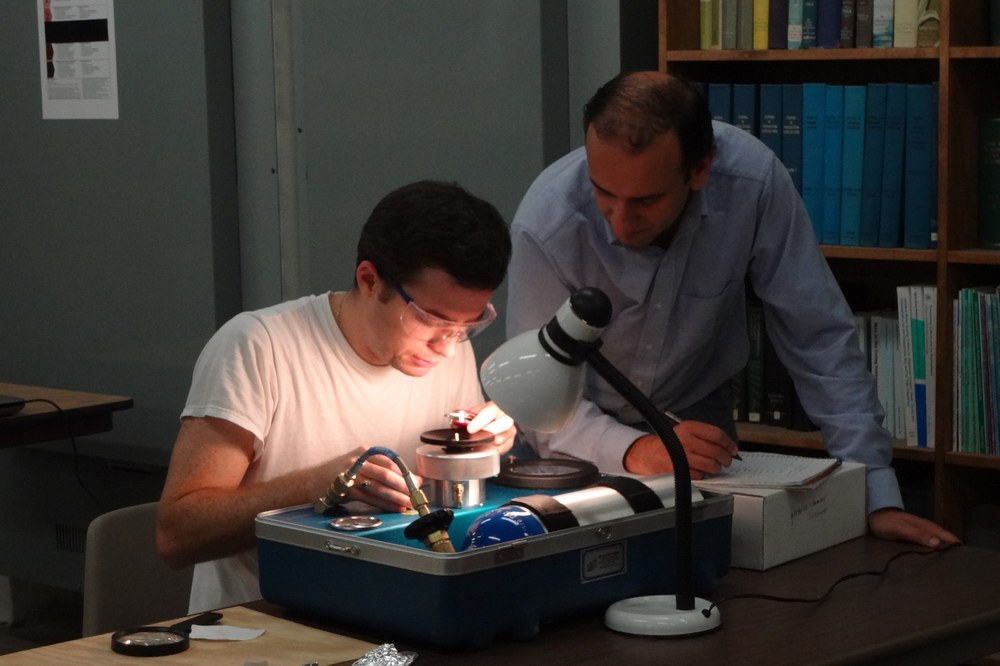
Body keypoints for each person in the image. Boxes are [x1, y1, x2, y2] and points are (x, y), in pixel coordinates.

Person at [506, 71, 957, 549]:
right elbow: (538, 401)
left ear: (700, 169)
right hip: (572, 439)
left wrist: (872, 489)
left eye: (646, 200)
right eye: (603, 193)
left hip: (695, 422)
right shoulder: (548, 221)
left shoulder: (751, 182)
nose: (619, 222)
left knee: (726, 584)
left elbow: (818, 337)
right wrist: (637, 449)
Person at [157, 180, 516, 613]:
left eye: (468, 326)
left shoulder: (448, 348)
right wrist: (316, 485)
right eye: (432, 320)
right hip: (266, 627)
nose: (448, 346)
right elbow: (178, 535)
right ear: (369, 279)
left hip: (392, 615)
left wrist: (481, 449)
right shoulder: (258, 347)